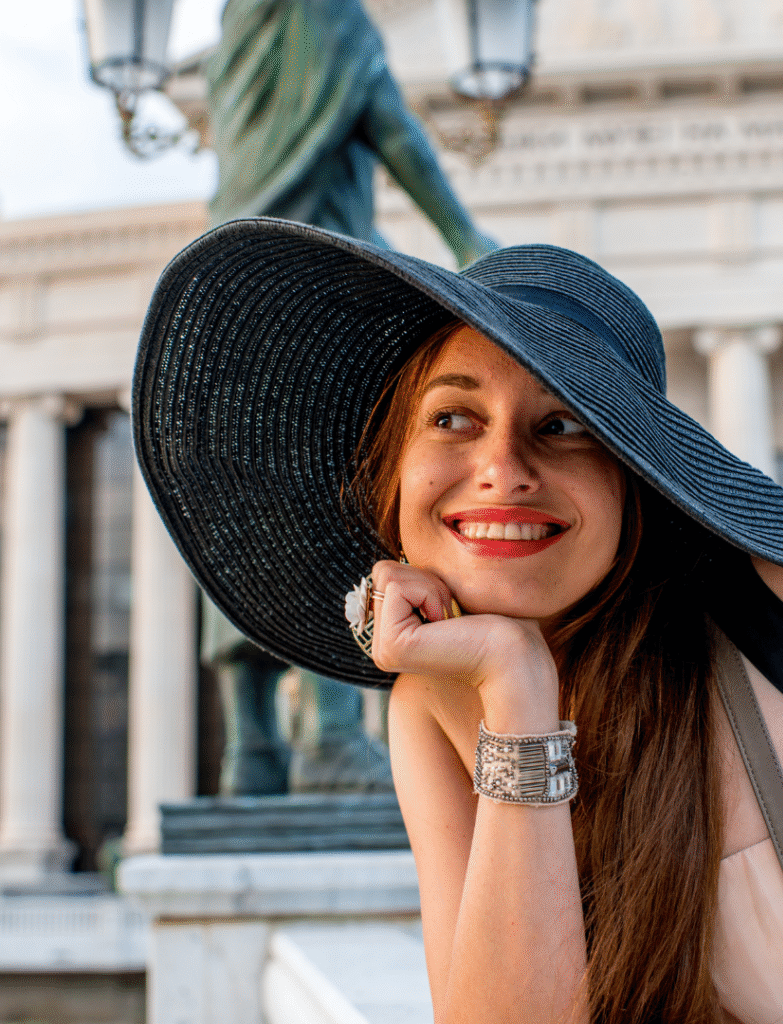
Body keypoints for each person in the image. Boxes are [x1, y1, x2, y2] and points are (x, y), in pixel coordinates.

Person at [133, 218, 783, 1024]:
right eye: (454, 418)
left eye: (563, 427)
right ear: (394, 469)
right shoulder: (435, 707)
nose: (502, 471)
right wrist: (515, 686)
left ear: (633, 479)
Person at [203, 0, 499, 794]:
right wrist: (464, 237)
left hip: (233, 283)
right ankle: (332, 736)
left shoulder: (238, 34)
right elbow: (391, 128)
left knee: (237, 504)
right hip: (316, 295)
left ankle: (251, 748)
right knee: (328, 497)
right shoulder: (329, 17)